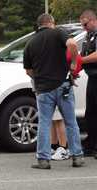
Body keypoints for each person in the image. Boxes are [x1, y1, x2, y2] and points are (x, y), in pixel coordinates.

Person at [23, 13, 84, 169]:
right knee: (70, 122)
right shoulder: (58, 32)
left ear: (38, 25)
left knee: (44, 123)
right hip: (63, 85)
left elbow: (29, 71)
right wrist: (74, 64)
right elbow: (72, 44)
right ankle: (77, 156)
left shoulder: (30, 43)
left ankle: (43, 160)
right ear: (51, 23)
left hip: (43, 89)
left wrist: (41, 77)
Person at [80, 10, 97, 159]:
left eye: (85, 24)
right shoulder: (88, 36)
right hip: (92, 78)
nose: (84, 28)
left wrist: (80, 61)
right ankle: (91, 144)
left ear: (93, 20)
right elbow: (83, 55)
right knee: (90, 113)